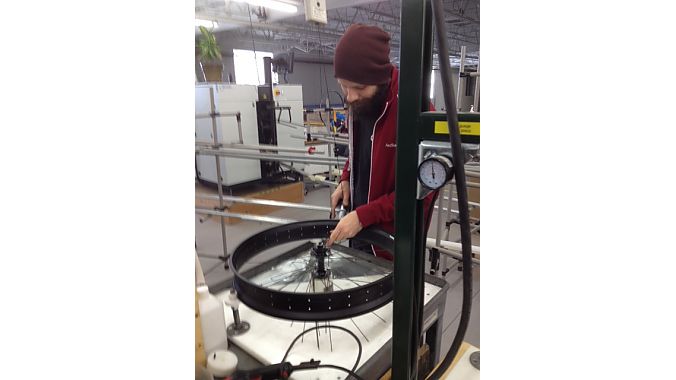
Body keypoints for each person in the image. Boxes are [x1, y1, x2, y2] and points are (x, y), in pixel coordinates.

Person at [326, 24, 438, 260]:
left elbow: (422, 193)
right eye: (343, 86)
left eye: (358, 87)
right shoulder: (359, 101)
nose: (350, 96)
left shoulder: (414, 109)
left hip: (393, 247)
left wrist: (365, 215)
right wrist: (346, 177)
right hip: (359, 231)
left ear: (382, 78)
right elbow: (359, 147)